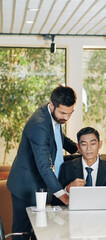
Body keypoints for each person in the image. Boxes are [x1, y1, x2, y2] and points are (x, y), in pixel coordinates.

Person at [7, 85, 78, 238]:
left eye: (70, 113)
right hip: (24, 185)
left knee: (40, 230)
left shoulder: (52, 113)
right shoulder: (39, 125)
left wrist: (77, 149)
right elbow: (45, 166)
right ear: (52, 105)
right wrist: (65, 198)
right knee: (23, 233)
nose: (66, 118)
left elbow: (59, 137)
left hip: (39, 183)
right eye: (63, 113)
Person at [58, 127, 106, 192]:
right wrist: (67, 189)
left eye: (93, 144)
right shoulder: (66, 168)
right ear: (78, 147)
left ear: (100, 144)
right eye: (84, 144)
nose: (89, 148)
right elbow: (55, 200)